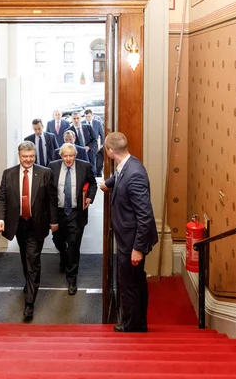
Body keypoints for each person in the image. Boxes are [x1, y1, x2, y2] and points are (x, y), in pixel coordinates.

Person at [100, 132, 158, 333]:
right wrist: (107, 184)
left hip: (132, 241)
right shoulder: (129, 164)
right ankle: (138, 321)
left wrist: (138, 249)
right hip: (128, 238)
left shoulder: (134, 174)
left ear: (109, 151)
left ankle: (132, 325)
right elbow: (118, 176)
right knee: (135, 280)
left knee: (130, 284)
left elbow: (145, 216)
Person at [0, 141, 59, 320]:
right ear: (19, 156)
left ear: (35, 156)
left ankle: (29, 303)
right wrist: (0, 218)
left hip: (37, 223)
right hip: (17, 224)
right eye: (25, 157)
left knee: (33, 260)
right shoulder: (9, 174)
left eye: (31, 156)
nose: (28, 160)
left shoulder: (45, 173)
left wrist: (54, 221)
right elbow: (1, 199)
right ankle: (29, 282)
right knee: (25, 255)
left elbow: (52, 200)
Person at [48, 143, 97, 295]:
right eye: (65, 156)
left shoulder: (85, 166)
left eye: (71, 156)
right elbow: (48, 192)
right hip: (59, 212)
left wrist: (89, 197)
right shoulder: (52, 167)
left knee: (74, 245)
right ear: (60, 156)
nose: (68, 159)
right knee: (58, 241)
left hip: (77, 213)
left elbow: (93, 184)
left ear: (76, 155)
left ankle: (72, 279)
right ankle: (63, 255)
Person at [84, 109, 105, 177]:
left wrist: (102, 144)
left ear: (92, 116)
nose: (88, 118)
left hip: (95, 145)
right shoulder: (82, 123)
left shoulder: (97, 123)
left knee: (95, 161)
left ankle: (95, 174)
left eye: (89, 116)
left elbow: (102, 134)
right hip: (86, 145)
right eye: (86, 116)